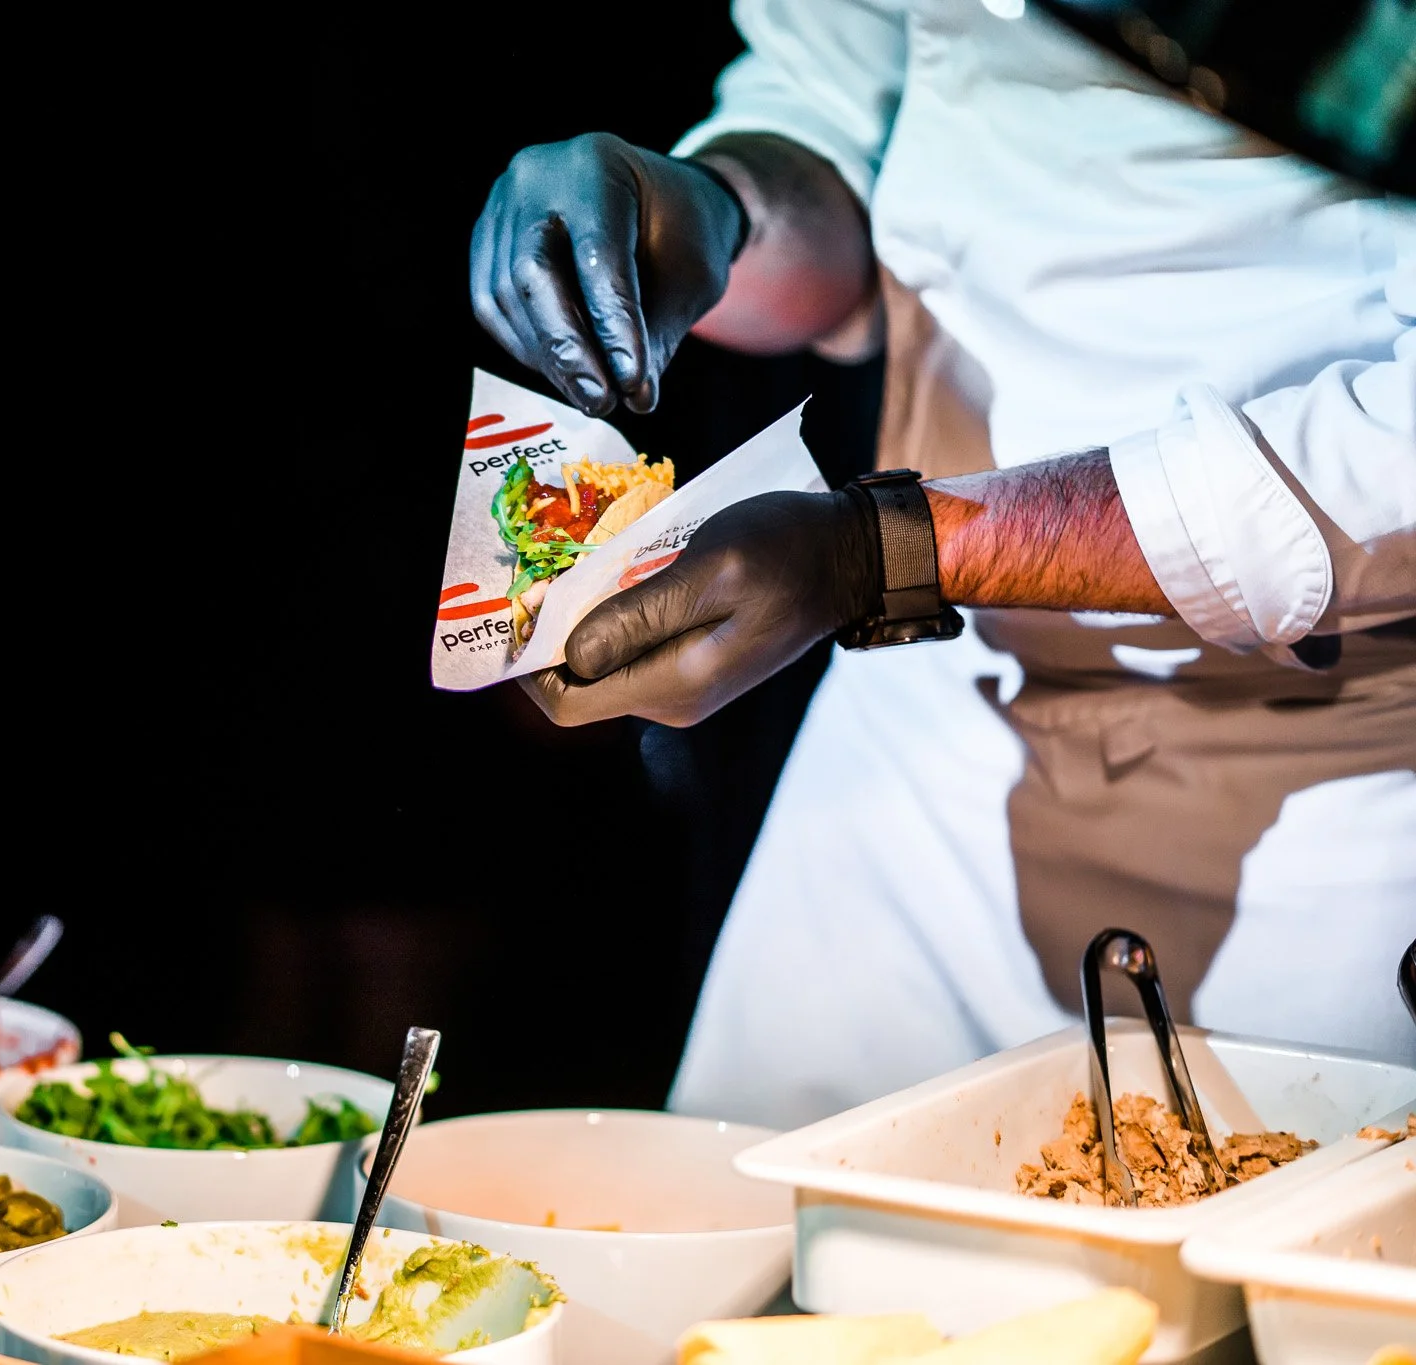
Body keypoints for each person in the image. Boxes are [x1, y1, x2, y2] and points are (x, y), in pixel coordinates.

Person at [471, 0, 1416, 1129]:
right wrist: (714, 206)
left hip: (1323, 795)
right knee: (761, 1273)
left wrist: (893, 553)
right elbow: (853, 111)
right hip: (921, 736)